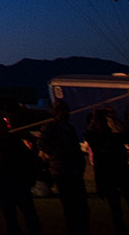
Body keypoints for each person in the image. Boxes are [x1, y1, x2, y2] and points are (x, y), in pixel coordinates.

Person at [87, 108, 129, 235]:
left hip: (114, 173)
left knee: (122, 205)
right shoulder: (103, 138)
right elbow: (125, 133)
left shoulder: (105, 138)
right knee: (125, 205)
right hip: (116, 172)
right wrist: (113, 118)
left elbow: (126, 134)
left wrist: (102, 118)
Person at [0, 114, 42, 235]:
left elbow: (26, 157)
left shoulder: (12, 139)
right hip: (3, 181)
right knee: (10, 214)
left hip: (16, 181)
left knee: (27, 212)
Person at [39, 100, 90, 235]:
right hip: (61, 170)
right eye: (63, 111)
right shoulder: (50, 127)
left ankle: (83, 228)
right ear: (56, 112)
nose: (67, 113)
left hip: (74, 168)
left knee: (81, 204)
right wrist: (55, 155)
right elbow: (42, 143)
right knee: (70, 204)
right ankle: (74, 229)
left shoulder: (69, 127)